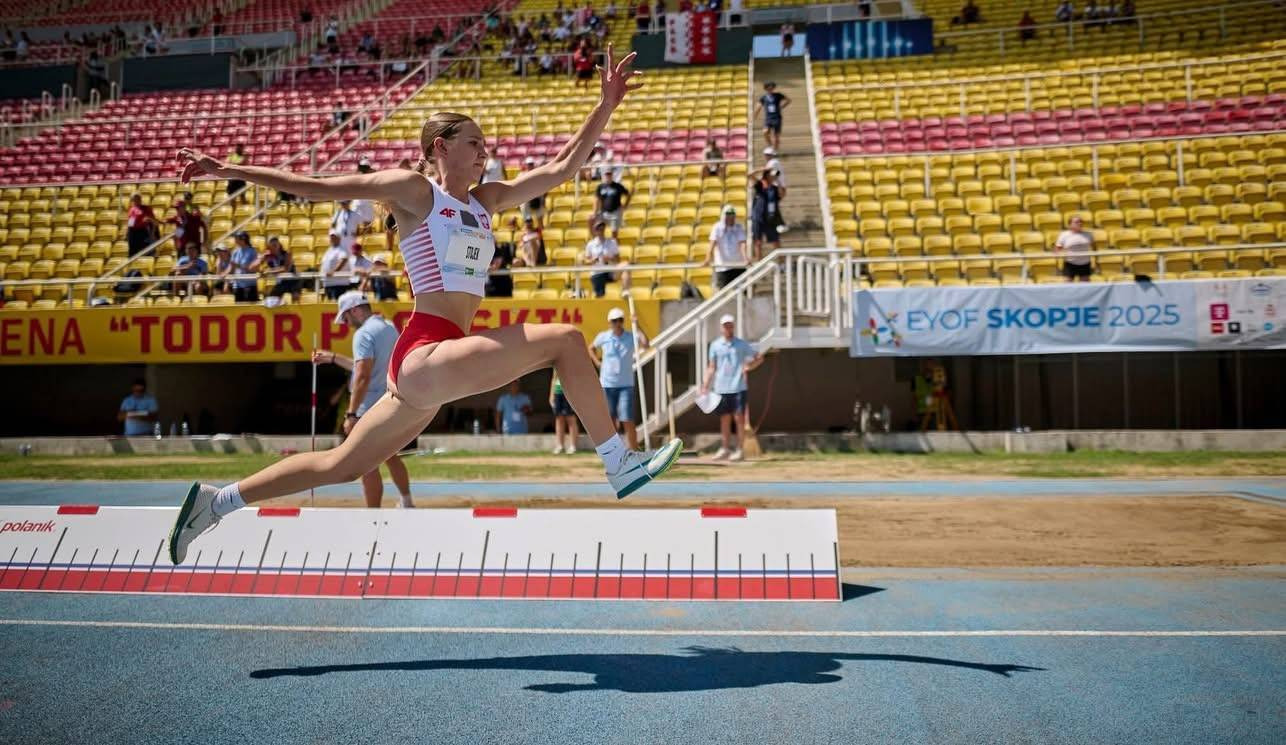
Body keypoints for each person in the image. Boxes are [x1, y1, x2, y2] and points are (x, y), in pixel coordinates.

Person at [169, 45, 682, 564]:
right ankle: (618, 461)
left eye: (486, 144)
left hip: (435, 365)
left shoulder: (486, 201)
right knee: (567, 341)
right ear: (441, 146)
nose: (486, 151)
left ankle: (215, 503)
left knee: (342, 465)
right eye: (474, 142)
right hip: (424, 351)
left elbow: (564, 167)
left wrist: (607, 106)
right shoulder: (415, 192)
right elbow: (318, 187)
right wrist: (225, 169)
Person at [311, 293, 416, 509]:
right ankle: (407, 501)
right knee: (391, 455)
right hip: (390, 403)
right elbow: (368, 368)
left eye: (346, 319)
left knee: (367, 464)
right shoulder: (388, 327)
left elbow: (363, 376)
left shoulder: (364, 333)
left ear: (355, 310)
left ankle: (372, 515)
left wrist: (351, 413)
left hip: (368, 408)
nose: (347, 325)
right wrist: (332, 358)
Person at [698, 314, 763, 461]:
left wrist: (749, 367)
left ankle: (740, 449)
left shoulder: (741, 344)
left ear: (733, 326)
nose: (728, 328)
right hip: (721, 387)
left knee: (739, 418)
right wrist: (705, 386)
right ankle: (725, 448)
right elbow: (711, 367)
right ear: (721, 328)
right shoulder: (715, 345)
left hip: (739, 386)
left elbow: (758, 357)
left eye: (730, 325)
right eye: (725, 325)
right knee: (724, 419)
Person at [592, 307, 649, 451]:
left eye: (620, 320)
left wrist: (638, 324)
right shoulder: (603, 337)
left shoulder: (631, 336)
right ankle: (615, 451)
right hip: (607, 384)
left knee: (626, 418)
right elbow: (590, 347)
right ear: (609, 322)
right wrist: (597, 362)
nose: (617, 323)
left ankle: (634, 450)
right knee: (610, 420)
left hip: (626, 384)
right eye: (614, 321)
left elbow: (646, 344)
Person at [705, 205, 749, 288]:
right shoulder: (717, 227)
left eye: (732, 215)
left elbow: (742, 244)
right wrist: (708, 258)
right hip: (723, 266)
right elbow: (712, 243)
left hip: (738, 265)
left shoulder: (738, 227)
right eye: (728, 215)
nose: (730, 218)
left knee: (743, 291)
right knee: (723, 292)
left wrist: (745, 258)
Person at [583, 219, 624, 297]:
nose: (601, 230)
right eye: (598, 228)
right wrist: (592, 261)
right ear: (595, 230)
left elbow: (618, 260)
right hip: (597, 272)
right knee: (600, 294)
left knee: (625, 266)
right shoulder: (591, 244)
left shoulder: (612, 242)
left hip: (610, 271)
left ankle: (625, 290)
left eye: (602, 228)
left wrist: (610, 259)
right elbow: (586, 261)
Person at [750, 167, 783, 260]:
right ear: (766, 175)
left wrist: (778, 181)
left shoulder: (774, 188)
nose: (773, 176)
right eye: (771, 175)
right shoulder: (760, 185)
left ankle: (782, 264)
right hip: (758, 217)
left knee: (776, 242)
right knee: (758, 242)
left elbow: (781, 195)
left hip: (770, 218)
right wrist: (764, 169)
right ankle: (759, 263)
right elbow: (750, 175)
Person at [250, 236, 298, 300]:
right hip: (281, 283)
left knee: (295, 298)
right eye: (272, 245)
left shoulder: (287, 254)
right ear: (268, 246)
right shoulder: (268, 256)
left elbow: (286, 269)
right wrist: (261, 258)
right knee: (272, 299)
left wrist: (269, 271)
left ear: (279, 245)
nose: (274, 247)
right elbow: (252, 267)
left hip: (292, 281)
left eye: (275, 244)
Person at [1054, 214, 1094, 282]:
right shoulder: (1064, 235)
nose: (1079, 223)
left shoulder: (1088, 234)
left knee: (1085, 285)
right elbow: (1057, 249)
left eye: (1081, 221)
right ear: (1070, 224)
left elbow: (1094, 247)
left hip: (1085, 263)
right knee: (1068, 284)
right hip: (1070, 263)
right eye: (1076, 222)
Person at [592, 169, 630, 238]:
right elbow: (597, 199)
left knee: (614, 231)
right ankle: (597, 242)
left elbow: (627, 194)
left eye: (609, 174)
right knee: (594, 223)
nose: (608, 176)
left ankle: (613, 245)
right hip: (604, 212)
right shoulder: (601, 187)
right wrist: (595, 212)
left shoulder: (618, 186)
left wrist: (625, 205)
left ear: (612, 176)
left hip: (615, 212)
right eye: (606, 175)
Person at [754, 81, 790, 151]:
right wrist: (755, 116)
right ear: (766, 89)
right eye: (768, 88)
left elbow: (788, 100)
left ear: (773, 88)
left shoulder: (778, 95)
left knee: (776, 137)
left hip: (777, 118)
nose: (770, 89)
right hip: (768, 118)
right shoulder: (763, 98)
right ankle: (770, 145)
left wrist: (782, 106)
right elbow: (758, 107)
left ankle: (775, 151)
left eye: (772, 88)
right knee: (765, 132)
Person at [549, 373, 579, 453]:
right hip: (557, 392)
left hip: (569, 392)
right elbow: (554, 378)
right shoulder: (556, 363)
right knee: (559, 419)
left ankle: (573, 445)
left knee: (571, 418)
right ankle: (560, 445)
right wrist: (551, 395)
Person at [227, 231, 259, 302]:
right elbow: (231, 266)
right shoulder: (235, 252)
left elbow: (253, 269)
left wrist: (239, 266)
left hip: (249, 286)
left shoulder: (252, 252)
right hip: (238, 285)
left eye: (237, 238)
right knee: (239, 308)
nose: (235, 240)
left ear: (243, 239)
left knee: (251, 310)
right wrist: (224, 273)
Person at [320, 230, 353, 299]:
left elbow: (343, 260)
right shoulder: (329, 250)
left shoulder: (342, 249)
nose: (332, 239)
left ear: (339, 238)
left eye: (334, 237)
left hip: (339, 284)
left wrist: (334, 272)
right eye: (331, 237)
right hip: (328, 283)